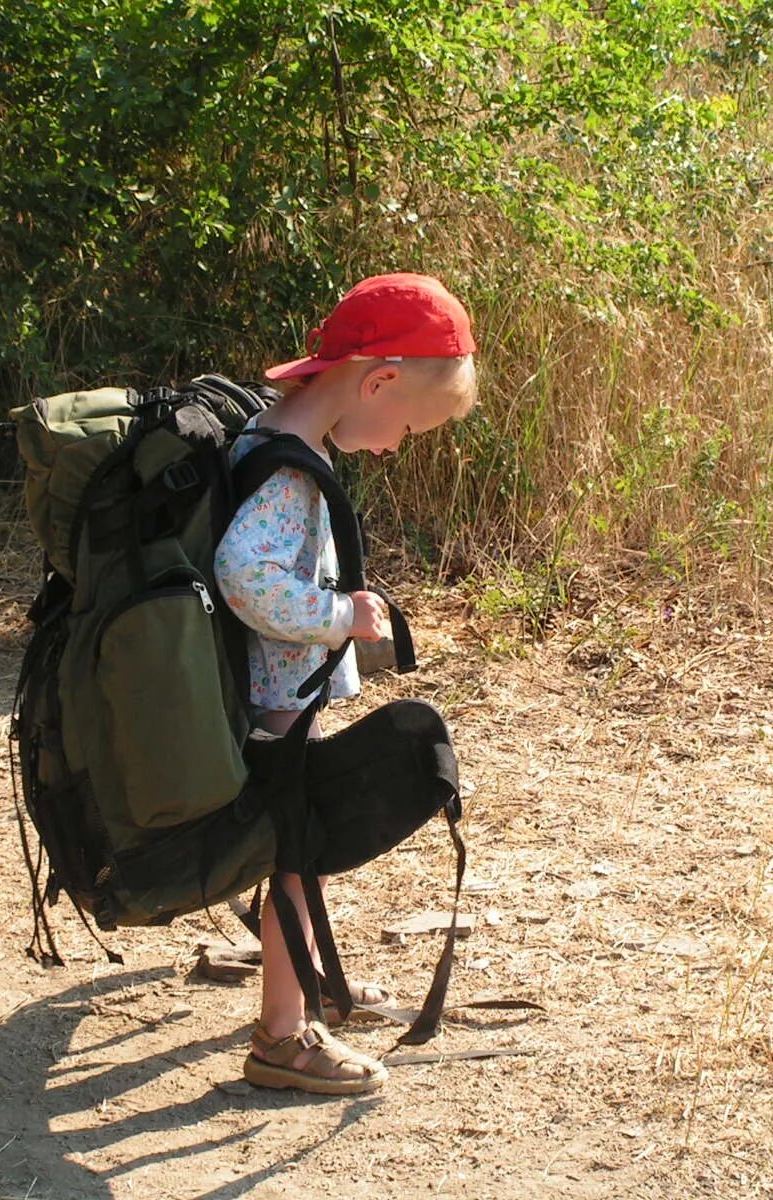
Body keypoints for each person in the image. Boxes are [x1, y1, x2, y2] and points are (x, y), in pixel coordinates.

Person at [213, 272, 478, 1095]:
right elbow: (244, 575)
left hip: (277, 697)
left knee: (299, 852)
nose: (399, 441)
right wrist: (339, 617)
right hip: (280, 704)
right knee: (300, 856)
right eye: (406, 423)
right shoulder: (291, 472)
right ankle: (282, 1038)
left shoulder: (270, 434)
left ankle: (304, 986)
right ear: (379, 381)